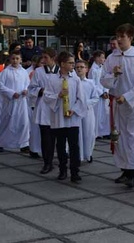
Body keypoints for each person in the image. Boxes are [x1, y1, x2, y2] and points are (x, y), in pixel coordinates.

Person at [101, 24, 134, 188]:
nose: (119, 40)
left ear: (130, 38)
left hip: (133, 104)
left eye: (123, 36)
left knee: (133, 137)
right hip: (117, 103)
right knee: (119, 137)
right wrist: (113, 74)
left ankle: (133, 173)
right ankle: (124, 169)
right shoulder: (111, 58)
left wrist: (127, 97)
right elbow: (103, 80)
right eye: (117, 36)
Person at [43, 51, 86, 183]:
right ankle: (62, 170)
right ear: (62, 64)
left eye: (74, 63)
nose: (73, 65)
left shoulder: (76, 79)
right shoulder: (52, 79)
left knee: (74, 146)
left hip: (72, 119)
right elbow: (46, 96)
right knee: (60, 146)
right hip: (58, 119)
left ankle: (75, 172)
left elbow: (81, 98)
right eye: (70, 63)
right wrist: (58, 96)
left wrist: (74, 110)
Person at [28, 48, 59, 174]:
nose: (44, 60)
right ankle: (47, 162)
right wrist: (41, 90)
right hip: (44, 107)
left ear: (53, 58)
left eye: (46, 57)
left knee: (57, 137)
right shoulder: (39, 72)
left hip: (57, 106)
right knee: (45, 137)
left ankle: (60, 160)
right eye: (43, 57)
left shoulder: (60, 71)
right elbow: (31, 88)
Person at [0, 51, 30, 152]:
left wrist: (25, 90)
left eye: (17, 59)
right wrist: (11, 93)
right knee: (7, 121)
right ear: (10, 60)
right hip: (10, 101)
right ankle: (0, 143)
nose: (15, 61)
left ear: (21, 60)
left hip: (21, 101)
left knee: (24, 122)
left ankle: (24, 143)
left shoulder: (24, 72)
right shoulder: (6, 72)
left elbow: (28, 83)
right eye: (13, 58)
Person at [75, 60, 99, 162]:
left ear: (86, 69)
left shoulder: (91, 83)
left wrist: (84, 103)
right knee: (77, 134)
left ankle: (88, 153)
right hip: (75, 112)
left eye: (81, 67)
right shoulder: (72, 82)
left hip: (87, 111)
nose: (79, 69)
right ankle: (77, 155)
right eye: (77, 67)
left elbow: (95, 98)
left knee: (89, 133)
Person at [88, 50, 109, 139]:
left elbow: (106, 80)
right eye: (102, 57)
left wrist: (106, 91)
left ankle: (104, 131)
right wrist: (100, 93)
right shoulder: (93, 70)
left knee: (104, 114)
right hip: (97, 94)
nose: (104, 59)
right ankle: (96, 132)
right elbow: (93, 84)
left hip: (104, 93)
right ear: (97, 58)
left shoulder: (103, 68)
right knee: (97, 114)